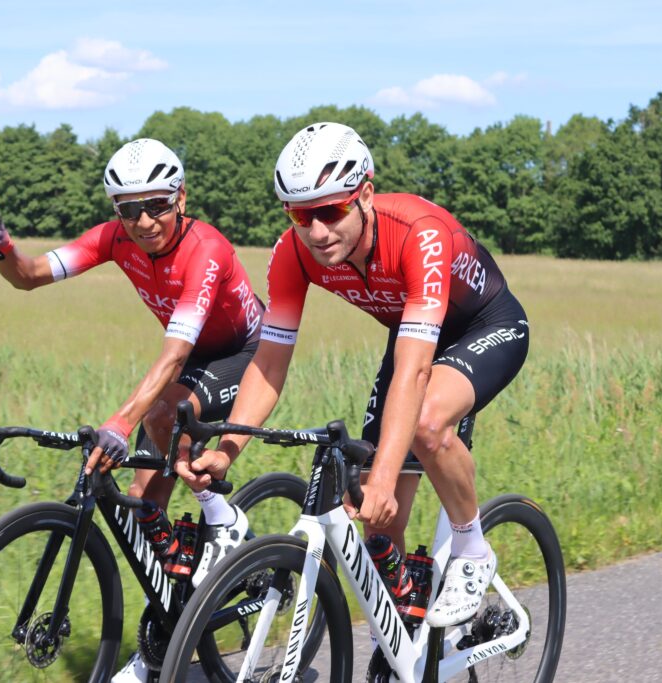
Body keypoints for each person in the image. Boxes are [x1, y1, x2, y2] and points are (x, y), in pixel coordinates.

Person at [179, 122, 529, 631]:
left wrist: (389, 473)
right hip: (411, 335)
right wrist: (226, 448)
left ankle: (472, 547)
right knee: (377, 520)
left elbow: (414, 373)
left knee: (426, 426)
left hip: (485, 325)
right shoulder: (294, 253)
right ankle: (407, 632)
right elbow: (269, 362)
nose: (317, 232)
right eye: (301, 214)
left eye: (331, 210)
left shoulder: (419, 234)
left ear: (365, 193)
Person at [0, 138, 263, 682]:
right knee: (144, 506)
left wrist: (120, 421)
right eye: (128, 209)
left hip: (243, 352)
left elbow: (175, 354)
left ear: (181, 198)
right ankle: (162, 642)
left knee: (161, 414)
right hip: (189, 357)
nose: (144, 221)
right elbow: (27, 276)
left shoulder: (207, 249)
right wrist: (1, 244)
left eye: (157, 205)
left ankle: (222, 515)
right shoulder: (112, 239)